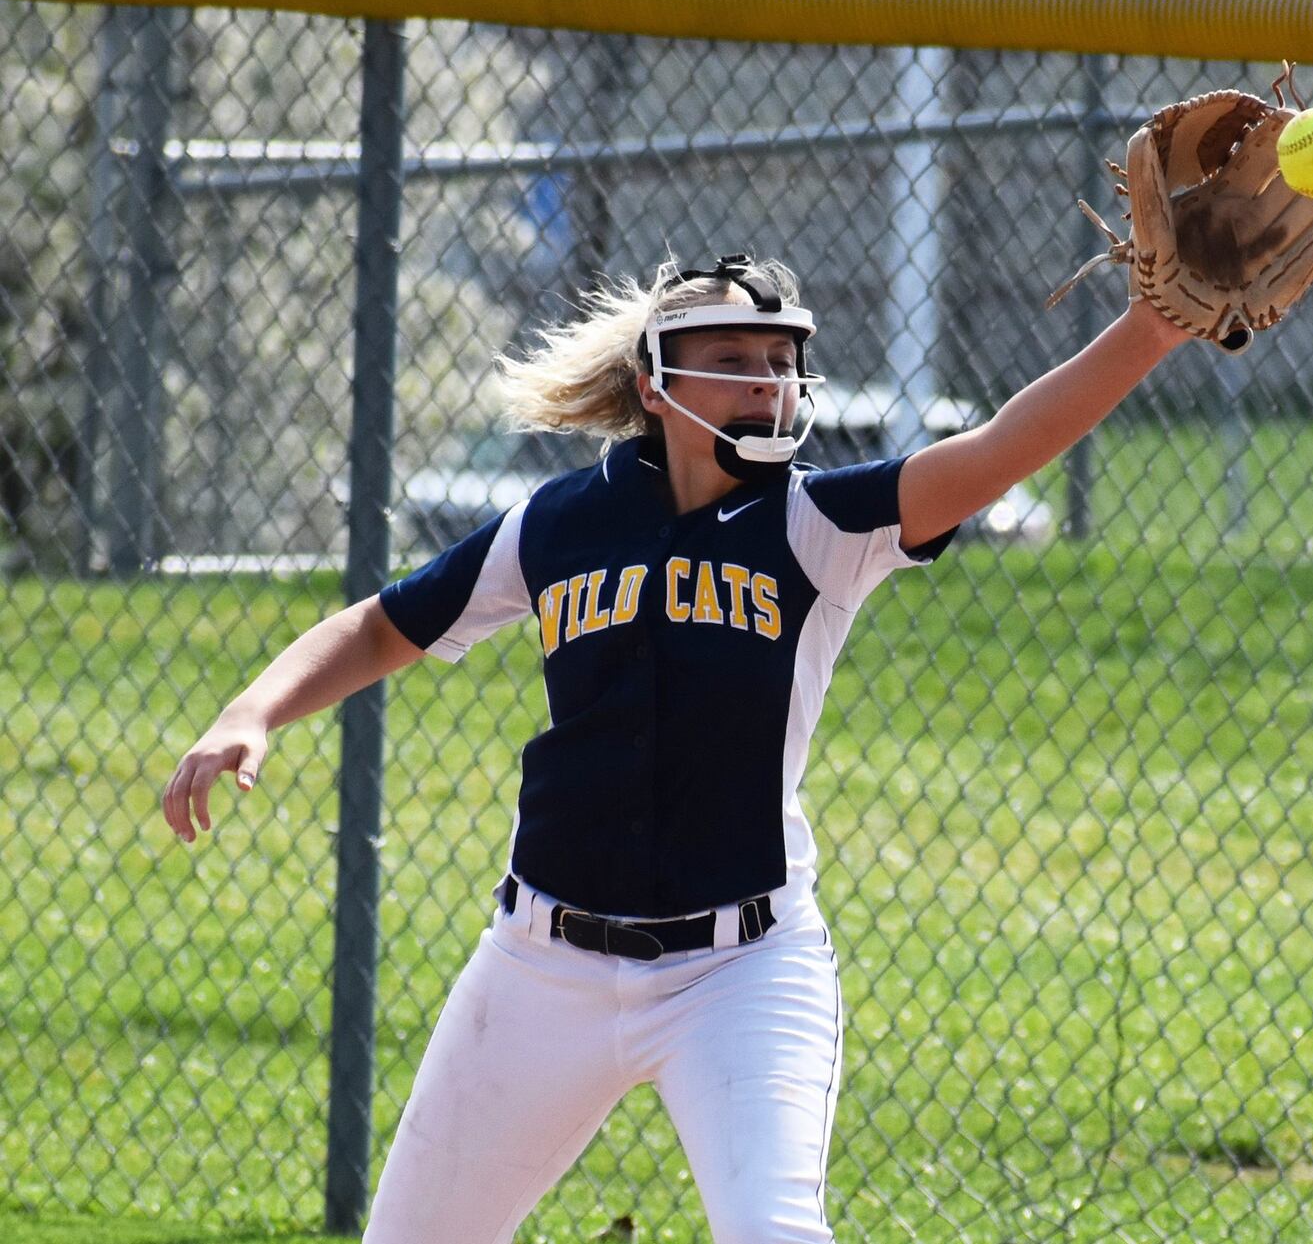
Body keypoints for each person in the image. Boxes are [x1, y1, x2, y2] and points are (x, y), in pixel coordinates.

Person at [161, 253, 1189, 1242]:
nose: (768, 382)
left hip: (742, 968)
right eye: (734, 360)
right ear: (656, 385)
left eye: (780, 361)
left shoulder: (816, 521)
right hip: (540, 967)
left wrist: (1151, 328)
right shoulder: (558, 522)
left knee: (769, 1230)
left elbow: (1001, 447)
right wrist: (249, 710)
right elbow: (385, 624)